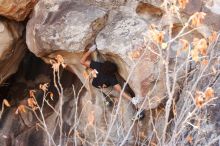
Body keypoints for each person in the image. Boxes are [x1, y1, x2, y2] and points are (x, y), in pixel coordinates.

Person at [80, 44, 145, 120]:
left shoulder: (99, 66)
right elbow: (120, 90)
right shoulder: (111, 77)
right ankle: (137, 112)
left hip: (95, 83)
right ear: (112, 72)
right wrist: (132, 99)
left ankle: (106, 99)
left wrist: (90, 50)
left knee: (92, 75)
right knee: (123, 94)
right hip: (105, 88)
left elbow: (82, 61)